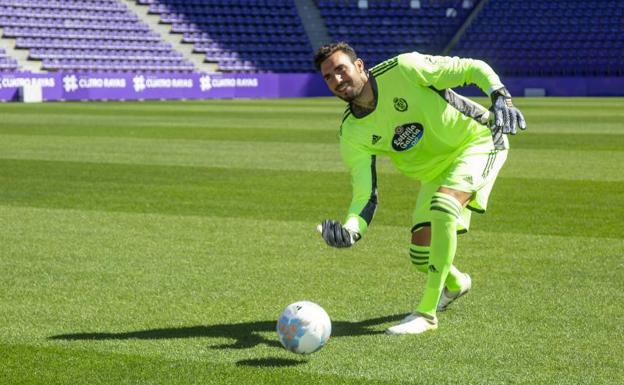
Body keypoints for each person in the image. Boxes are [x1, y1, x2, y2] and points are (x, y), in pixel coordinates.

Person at [313, 42, 526, 335]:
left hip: (478, 142)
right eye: (328, 77)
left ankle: (426, 314)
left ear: (359, 65)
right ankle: (455, 283)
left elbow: (472, 67)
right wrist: (351, 230)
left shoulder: (405, 68)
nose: (337, 80)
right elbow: (365, 194)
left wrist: (500, 95)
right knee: (420, 255)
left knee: (444, 206)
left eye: (341, 69)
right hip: (435, 174)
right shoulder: (351, 132)